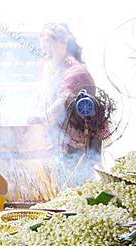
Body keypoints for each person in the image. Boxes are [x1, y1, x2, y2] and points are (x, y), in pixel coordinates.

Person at [32, 23, 103, 185]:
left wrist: (41, 117)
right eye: (43, 46)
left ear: (62, 43)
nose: (45, 51)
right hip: (60, 147)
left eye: (48, 45)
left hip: (78, 149)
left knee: (76, 191)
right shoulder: (55, 70)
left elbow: (62, 103)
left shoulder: (76, 72)